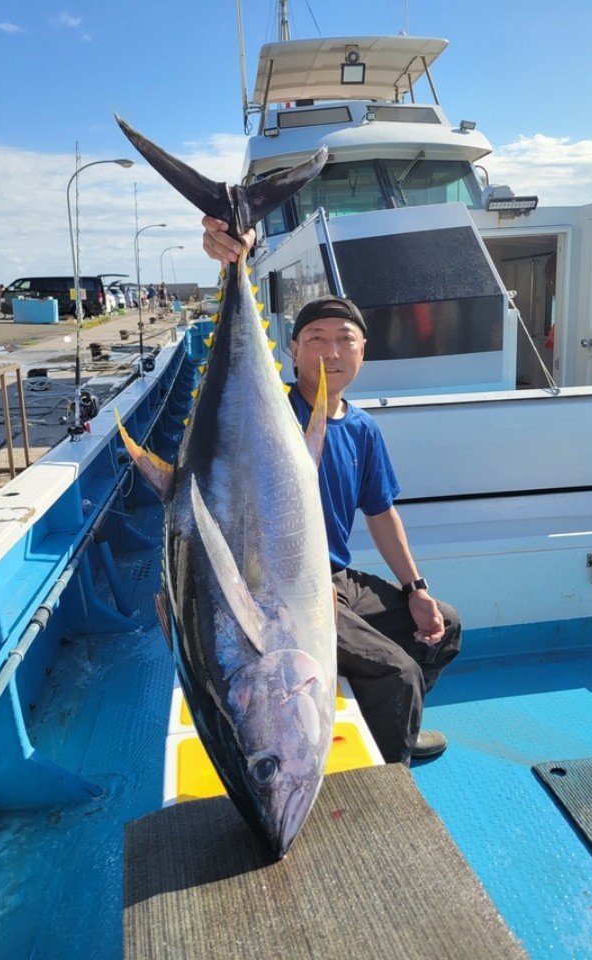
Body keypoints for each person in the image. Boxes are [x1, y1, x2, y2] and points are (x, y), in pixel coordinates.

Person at [203, 216, 461, 765]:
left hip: (338, 580)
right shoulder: (271, 415)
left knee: (446, 625)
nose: (330, 350)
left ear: (362, 353)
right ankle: (390, 768)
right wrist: (230, 256)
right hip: (288, 591)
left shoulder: (363, 427)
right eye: (315, 338)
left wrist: (415, 587)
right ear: (291, 351)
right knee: (399, 671)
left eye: (345, 340)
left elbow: (381, 513)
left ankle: (392, 725)